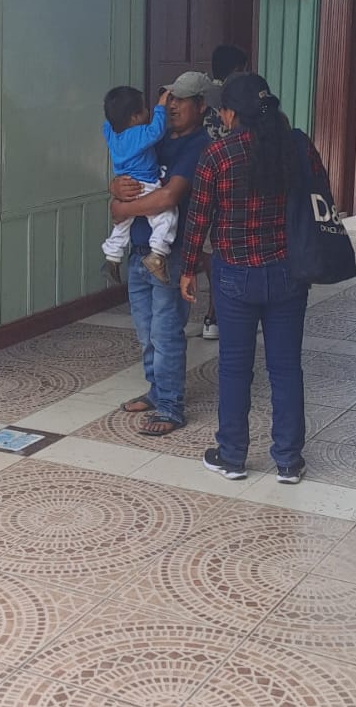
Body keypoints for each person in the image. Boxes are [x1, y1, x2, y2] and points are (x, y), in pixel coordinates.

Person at [180, 72, 329, 485]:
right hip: (288, 273)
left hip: (234, 276)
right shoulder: (297, 145)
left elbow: (199, 218)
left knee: (234, 368)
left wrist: (188, 267)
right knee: (286, 368)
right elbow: (321, 194)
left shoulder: (217, 154)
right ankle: (288, 461)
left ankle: (231, 456)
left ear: (230, 114)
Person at [109, 72, 210, 437]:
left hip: (172, 255)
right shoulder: (156, 137)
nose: (173, 106)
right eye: (170, 98)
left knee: (166, 333)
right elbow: (126, 174)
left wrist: (122, 208)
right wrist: (114, 187)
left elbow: (168, 197)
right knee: (145, 332)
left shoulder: (199, 146)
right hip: (139, 252)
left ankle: (170, 406)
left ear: (201, 106)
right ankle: (156, 391)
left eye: (182, 100)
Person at [194, 44, 248, 339]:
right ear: (237, 69)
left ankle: (213, 314)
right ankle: (220, 312)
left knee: (208, 249)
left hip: (201, 179)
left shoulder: (201, 97)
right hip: (234, 182)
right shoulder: (238, 97)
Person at [101, 86, 177, 286]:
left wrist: (113, 113)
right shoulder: (139, 134)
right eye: (143, 110)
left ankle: (112, 257)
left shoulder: (111, 135)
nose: (147, 112)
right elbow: (157, 130)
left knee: (122, 225)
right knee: (166, 215)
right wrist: (161, 105)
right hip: (145, 185)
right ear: (134, 118)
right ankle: (157, 254)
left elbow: (108, 123)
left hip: (126, 187)